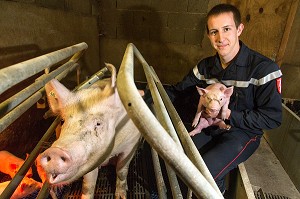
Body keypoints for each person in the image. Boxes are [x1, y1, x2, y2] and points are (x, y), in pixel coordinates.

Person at [143, 3, 282, 195]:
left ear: (239, 29)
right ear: (208, 35)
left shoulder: (264, 69)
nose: (220, 38)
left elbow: (272, 118)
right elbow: (177, 91)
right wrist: (144, 95)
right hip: (208, 126)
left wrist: (229, 114)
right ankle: (157, 194)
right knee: (168, 154)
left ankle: (219, 190)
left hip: (241, 133)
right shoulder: (205, 67)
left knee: (202, 173)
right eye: (214, 32)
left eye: (227, 29)